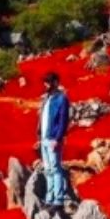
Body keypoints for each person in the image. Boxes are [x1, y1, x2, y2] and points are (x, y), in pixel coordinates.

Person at [38, 71, 70, 207]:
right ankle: (49, 197)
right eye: (45, 82)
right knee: (48, 169)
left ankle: (58, 199)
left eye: (49, 82)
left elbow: (63, 121)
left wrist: (57, 139)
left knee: (56, 168)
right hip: (44, 139)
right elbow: (42, 119)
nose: (46, 85)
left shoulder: (62, 99)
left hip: (53, 139)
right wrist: (39, 136)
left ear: (56, 82)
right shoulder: (47, 99)